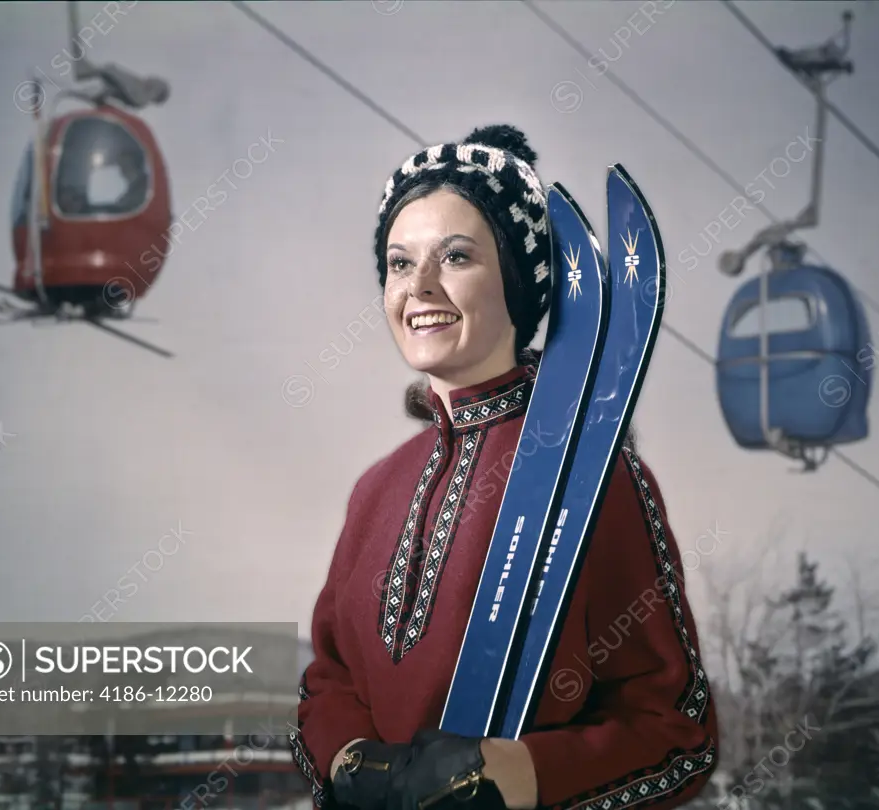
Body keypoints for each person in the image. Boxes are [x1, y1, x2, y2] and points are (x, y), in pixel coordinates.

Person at [289, 125, 718, 810]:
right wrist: (351, 761)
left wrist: (516, 776)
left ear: (515, 282)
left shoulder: (594, 471)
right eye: (400, 264)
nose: (419, 287)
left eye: (455, 257)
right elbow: (329, 680)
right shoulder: (376, 491)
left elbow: (675, 735)